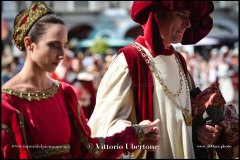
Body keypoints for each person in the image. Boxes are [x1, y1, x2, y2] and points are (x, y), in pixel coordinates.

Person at [1, 2, 161, 159]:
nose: (62, 54)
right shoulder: (7, 103)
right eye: (53, 45)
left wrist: (134, 134)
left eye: (63, 45)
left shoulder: (64, 93)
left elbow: (88, 150)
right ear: (30, 44)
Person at [88, 1, 239, 159]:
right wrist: (136, 134)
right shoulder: (129, 61)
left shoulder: (179, 59)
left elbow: (186, 116)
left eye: (188, 17)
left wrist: (204, 131)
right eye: (180, 15)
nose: (187, 24)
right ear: (157, 16)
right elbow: (102, 125)